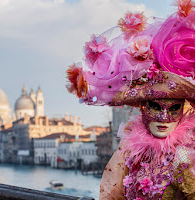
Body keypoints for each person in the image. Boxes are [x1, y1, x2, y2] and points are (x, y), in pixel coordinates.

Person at [66, 0, 195, 199]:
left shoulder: (187, 153)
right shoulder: (129, 151)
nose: (163, 117)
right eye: (155, 106)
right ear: (142, 106)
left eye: (173, 108)